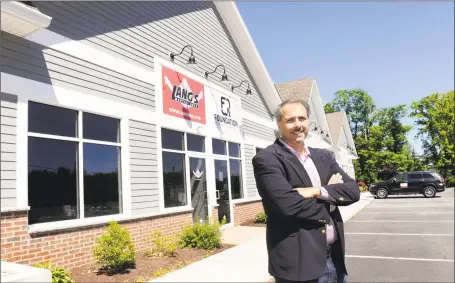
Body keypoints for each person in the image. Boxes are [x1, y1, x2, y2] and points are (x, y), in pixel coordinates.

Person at [252, 99, 360, 283]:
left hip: (333, 259)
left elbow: (353, 191)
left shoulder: (324, 156)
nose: (298, 125)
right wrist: (332, 196)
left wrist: (316, 191)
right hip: (299, 266)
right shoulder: (267, 159)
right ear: (279, 123)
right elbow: (288, 206)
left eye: (302, 118)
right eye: (290, 120)